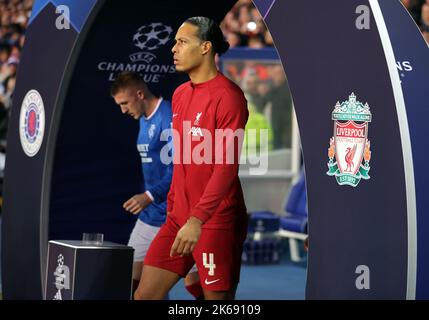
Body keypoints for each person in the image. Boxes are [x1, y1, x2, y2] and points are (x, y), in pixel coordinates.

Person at [134, 17, 249, 300]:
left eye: (182, 42)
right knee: (144, 295)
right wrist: (176, 209)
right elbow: (182, 160)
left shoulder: (229, 96)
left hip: (214, 221)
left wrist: (197, 219)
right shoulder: (181, 93)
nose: (174, 48)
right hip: (178, 219)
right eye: (175, 42)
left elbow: (226, 167)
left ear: (206, 47)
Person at [110, 71, 202, 300]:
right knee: (131, 279)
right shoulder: (142, 118)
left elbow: (181, 167)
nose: (123, 110)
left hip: (176, 212)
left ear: (140, 94)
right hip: (151, 215)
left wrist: (150, 195)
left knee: (195, 284)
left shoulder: (169, 117)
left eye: (124, 103)